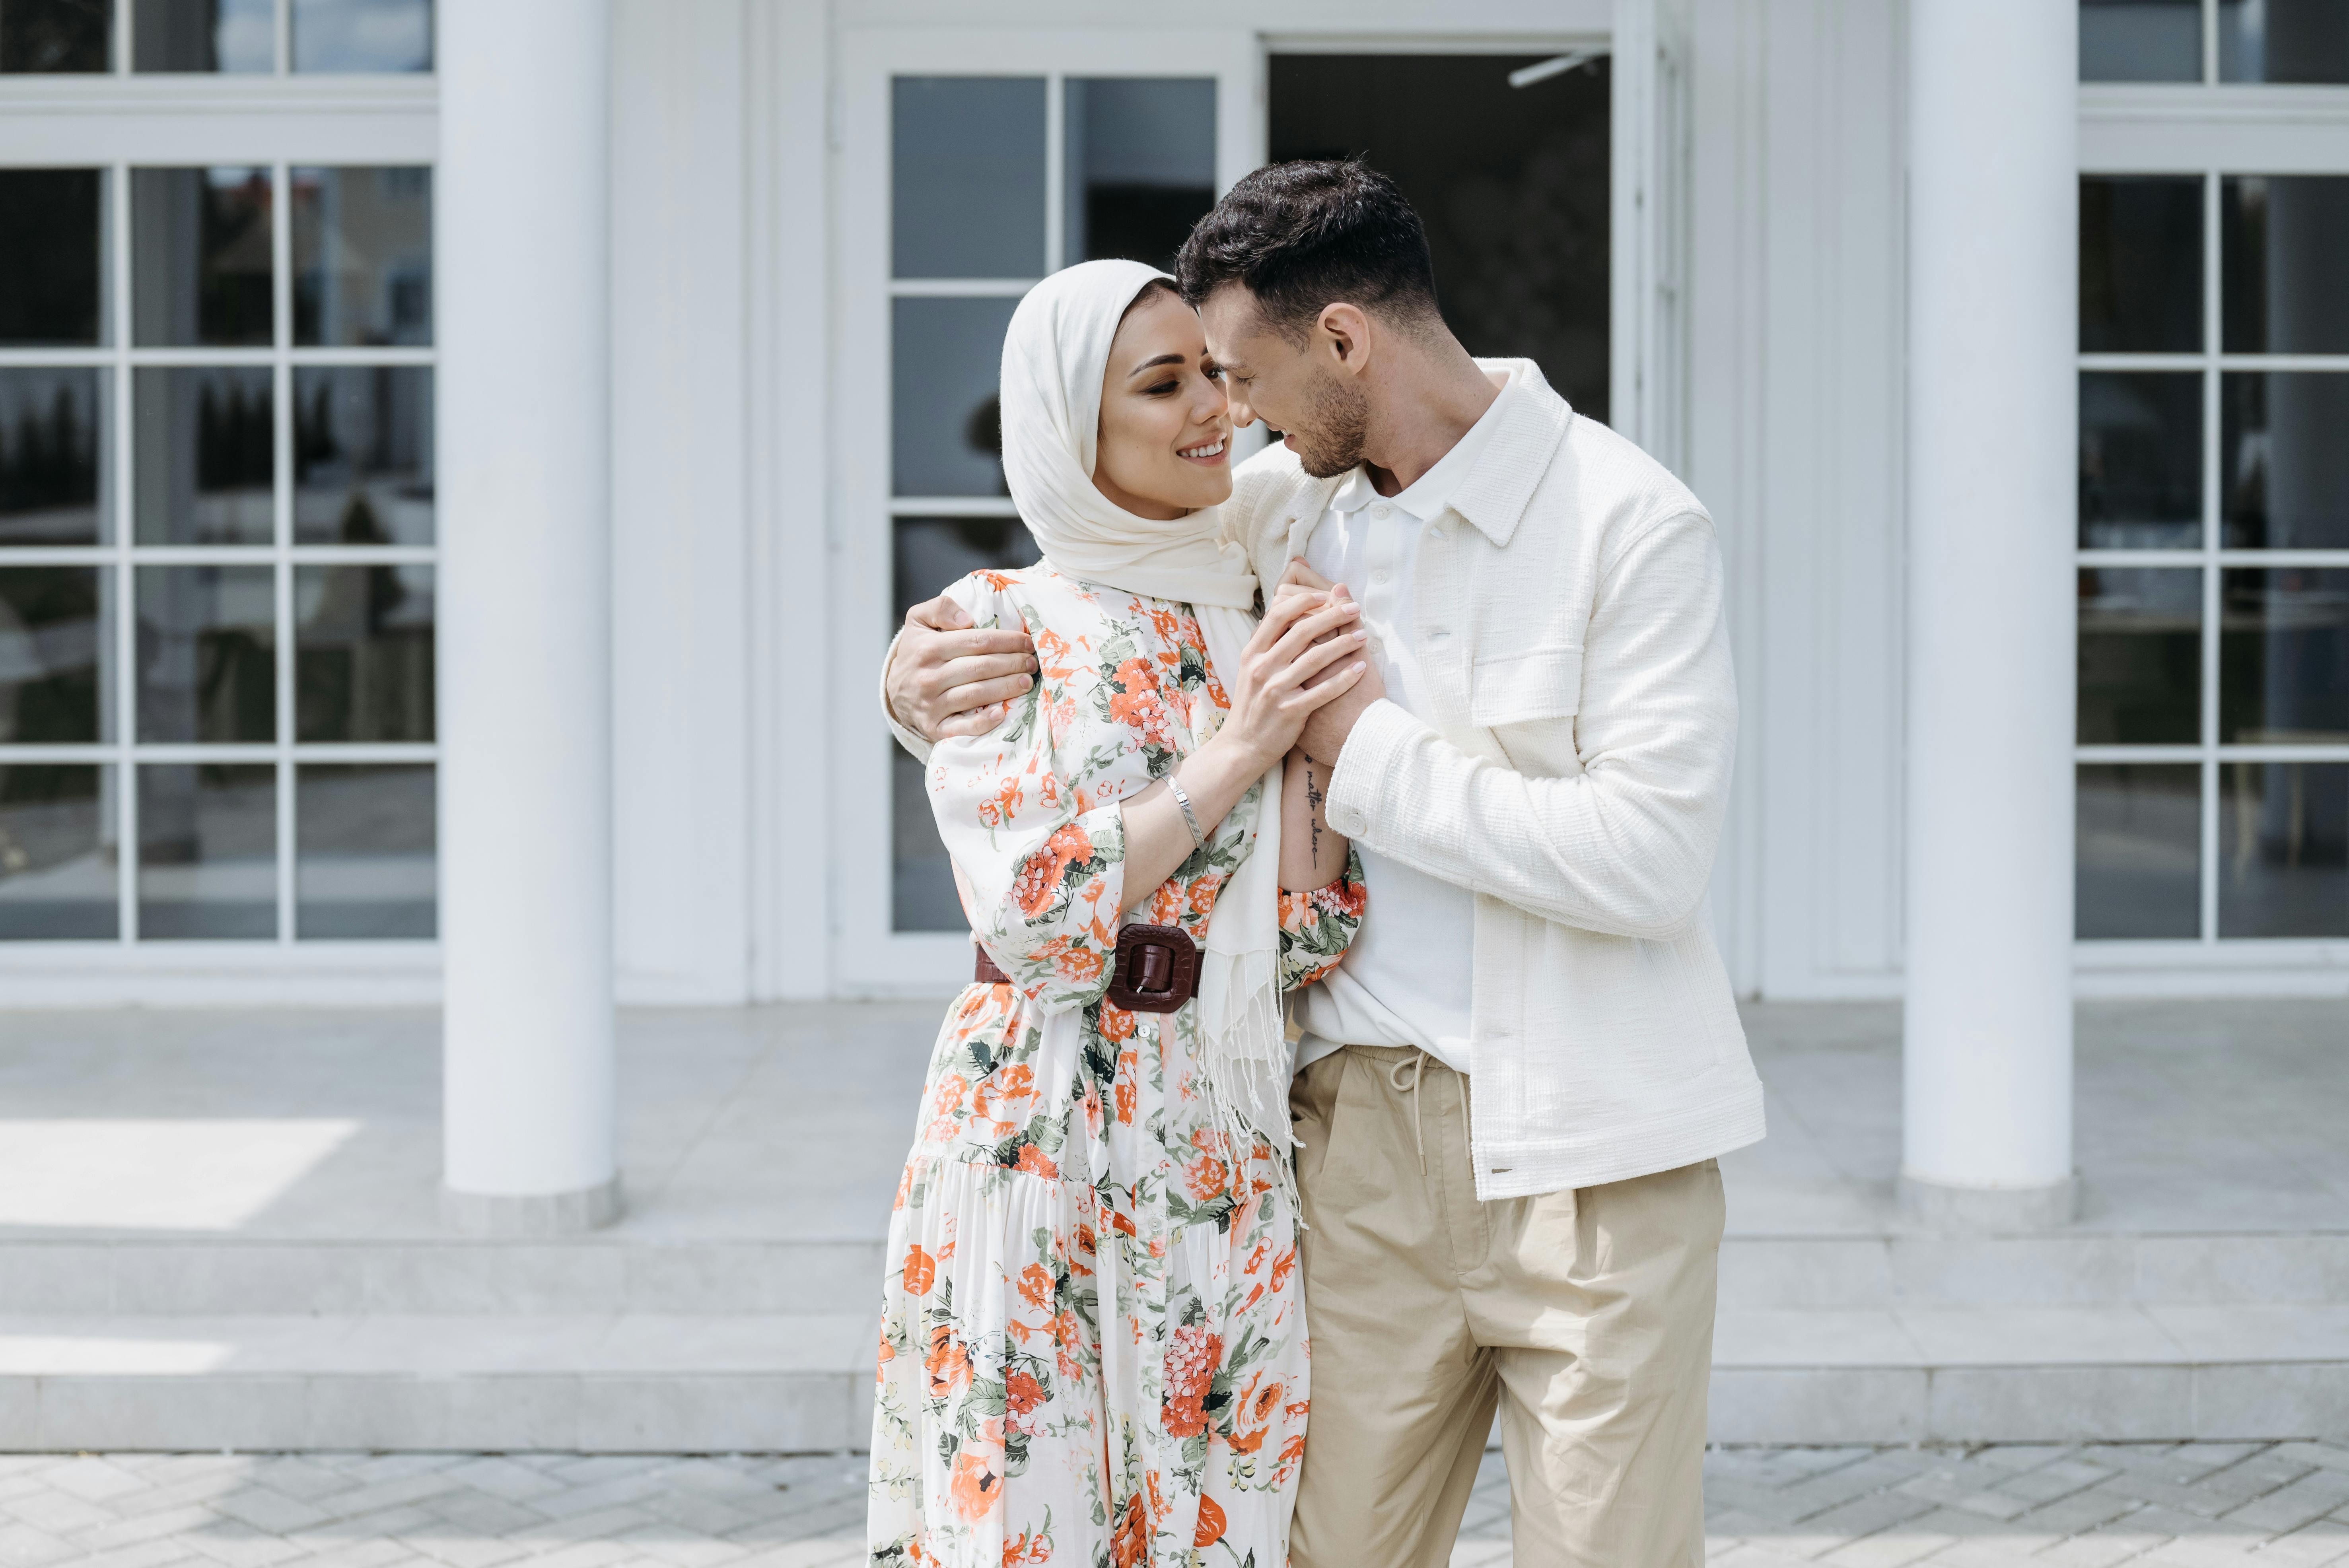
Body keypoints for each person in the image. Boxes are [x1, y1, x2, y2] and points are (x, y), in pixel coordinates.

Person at [886, 162, 1766, 1568]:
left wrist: (1361, 754)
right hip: (1345, 1145)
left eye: (1238, 375)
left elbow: (1648, 864)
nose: (1228, 415)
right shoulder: (1287, 513)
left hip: (1593, 1159)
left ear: (1343, 343)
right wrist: (915, 671)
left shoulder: (1627, 522)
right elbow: (1099, 574)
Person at [867, 258, 1373, 1568]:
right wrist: (1242, 748)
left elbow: (1311, 934)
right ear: (1064, 427)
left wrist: (1310, 753)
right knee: (1032, 1516)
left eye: (1212, 372)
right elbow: (1036, 917)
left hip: (1220, 1120)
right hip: (1039, 1118)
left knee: (1225, 1517)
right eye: (1162, 383)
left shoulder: (1256, 599)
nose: (1213, 406)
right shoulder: (997, 625)